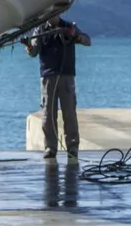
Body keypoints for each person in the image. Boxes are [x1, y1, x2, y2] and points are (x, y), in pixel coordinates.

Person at [23, 15, 91, 160]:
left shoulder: (69, 26)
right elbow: (33, 52)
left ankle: (72, 148)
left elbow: (87, 40)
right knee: (48, 115)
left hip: (67, 76)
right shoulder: (40, 30)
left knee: (69, 114)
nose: (50, 16)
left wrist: (76, 36)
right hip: (47, 76)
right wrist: (28, 46)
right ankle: (50, 148)